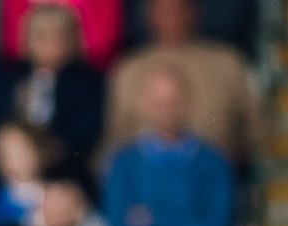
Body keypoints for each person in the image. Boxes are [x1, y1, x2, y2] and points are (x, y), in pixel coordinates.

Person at [99, 63, 238, 226]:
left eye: (173, 102)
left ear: (188, 104)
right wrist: (184, 221)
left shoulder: (213, 162)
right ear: (145, 105)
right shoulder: (123, 161)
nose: (166, 110)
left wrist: (153, 217)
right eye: (158, 102)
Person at [103, 0, 261, 166]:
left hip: (217, 173)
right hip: (142, 175)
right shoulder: (128, 69)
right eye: (164, 10)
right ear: (148, 15)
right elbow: (114, 140)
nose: (173, 17)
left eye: (180, 9)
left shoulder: (228, 63)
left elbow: (257, 133)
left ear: (195, 12)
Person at [0, 1, 105, 167]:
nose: (51, 44)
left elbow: (84, 134)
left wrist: (47, 151)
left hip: (64, 168)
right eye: (42, 36)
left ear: (73, 39)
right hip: (10, 165)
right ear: (27, 38)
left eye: (59, 36)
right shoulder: (10, 78)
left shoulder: (87, 83)